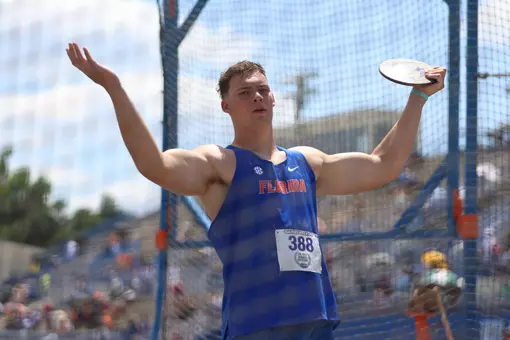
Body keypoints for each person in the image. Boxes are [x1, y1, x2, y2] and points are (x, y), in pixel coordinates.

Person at [66, 42, 446, 339]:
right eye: (246, 93)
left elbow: (384, 165)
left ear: (275, 98)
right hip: (257, 325)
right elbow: (154, 165)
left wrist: (418, 96)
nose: (258, 97)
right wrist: (114, 88)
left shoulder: (306, 162)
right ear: (225, 105)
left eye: (263, 89)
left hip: (316, 318)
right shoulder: (219, 163)